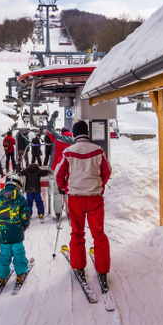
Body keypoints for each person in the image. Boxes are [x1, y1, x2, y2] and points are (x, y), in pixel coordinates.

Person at [55, 120, 112, 291]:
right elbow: (107, 171)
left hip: (76, 198)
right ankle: (102, 271)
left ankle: (79, 266)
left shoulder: (68, 152)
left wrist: (64, 188)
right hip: (95, 197)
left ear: (74, 134)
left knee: (77, 232)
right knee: (98, 234)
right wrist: (99, 185)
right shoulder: (98, 150)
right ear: (87, 133)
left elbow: (59, 173)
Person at [0, 174, 31, 288]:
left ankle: (2, 275)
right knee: (18, 252)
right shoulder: (20, 199)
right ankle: (21, 272)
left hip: (3, 234)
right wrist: (25, 225)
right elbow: (26, 215)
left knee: (4, 254)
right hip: (16, 232)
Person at [45, 111, 74, 221]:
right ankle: (70, 212)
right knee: (69, 190)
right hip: (70, 170)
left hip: (57, 169)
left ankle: (57, 213)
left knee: (57, 190)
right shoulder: (74, 141)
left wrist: (53, 117)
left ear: (62, 132)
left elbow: (49, 128)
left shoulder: (57, 138)